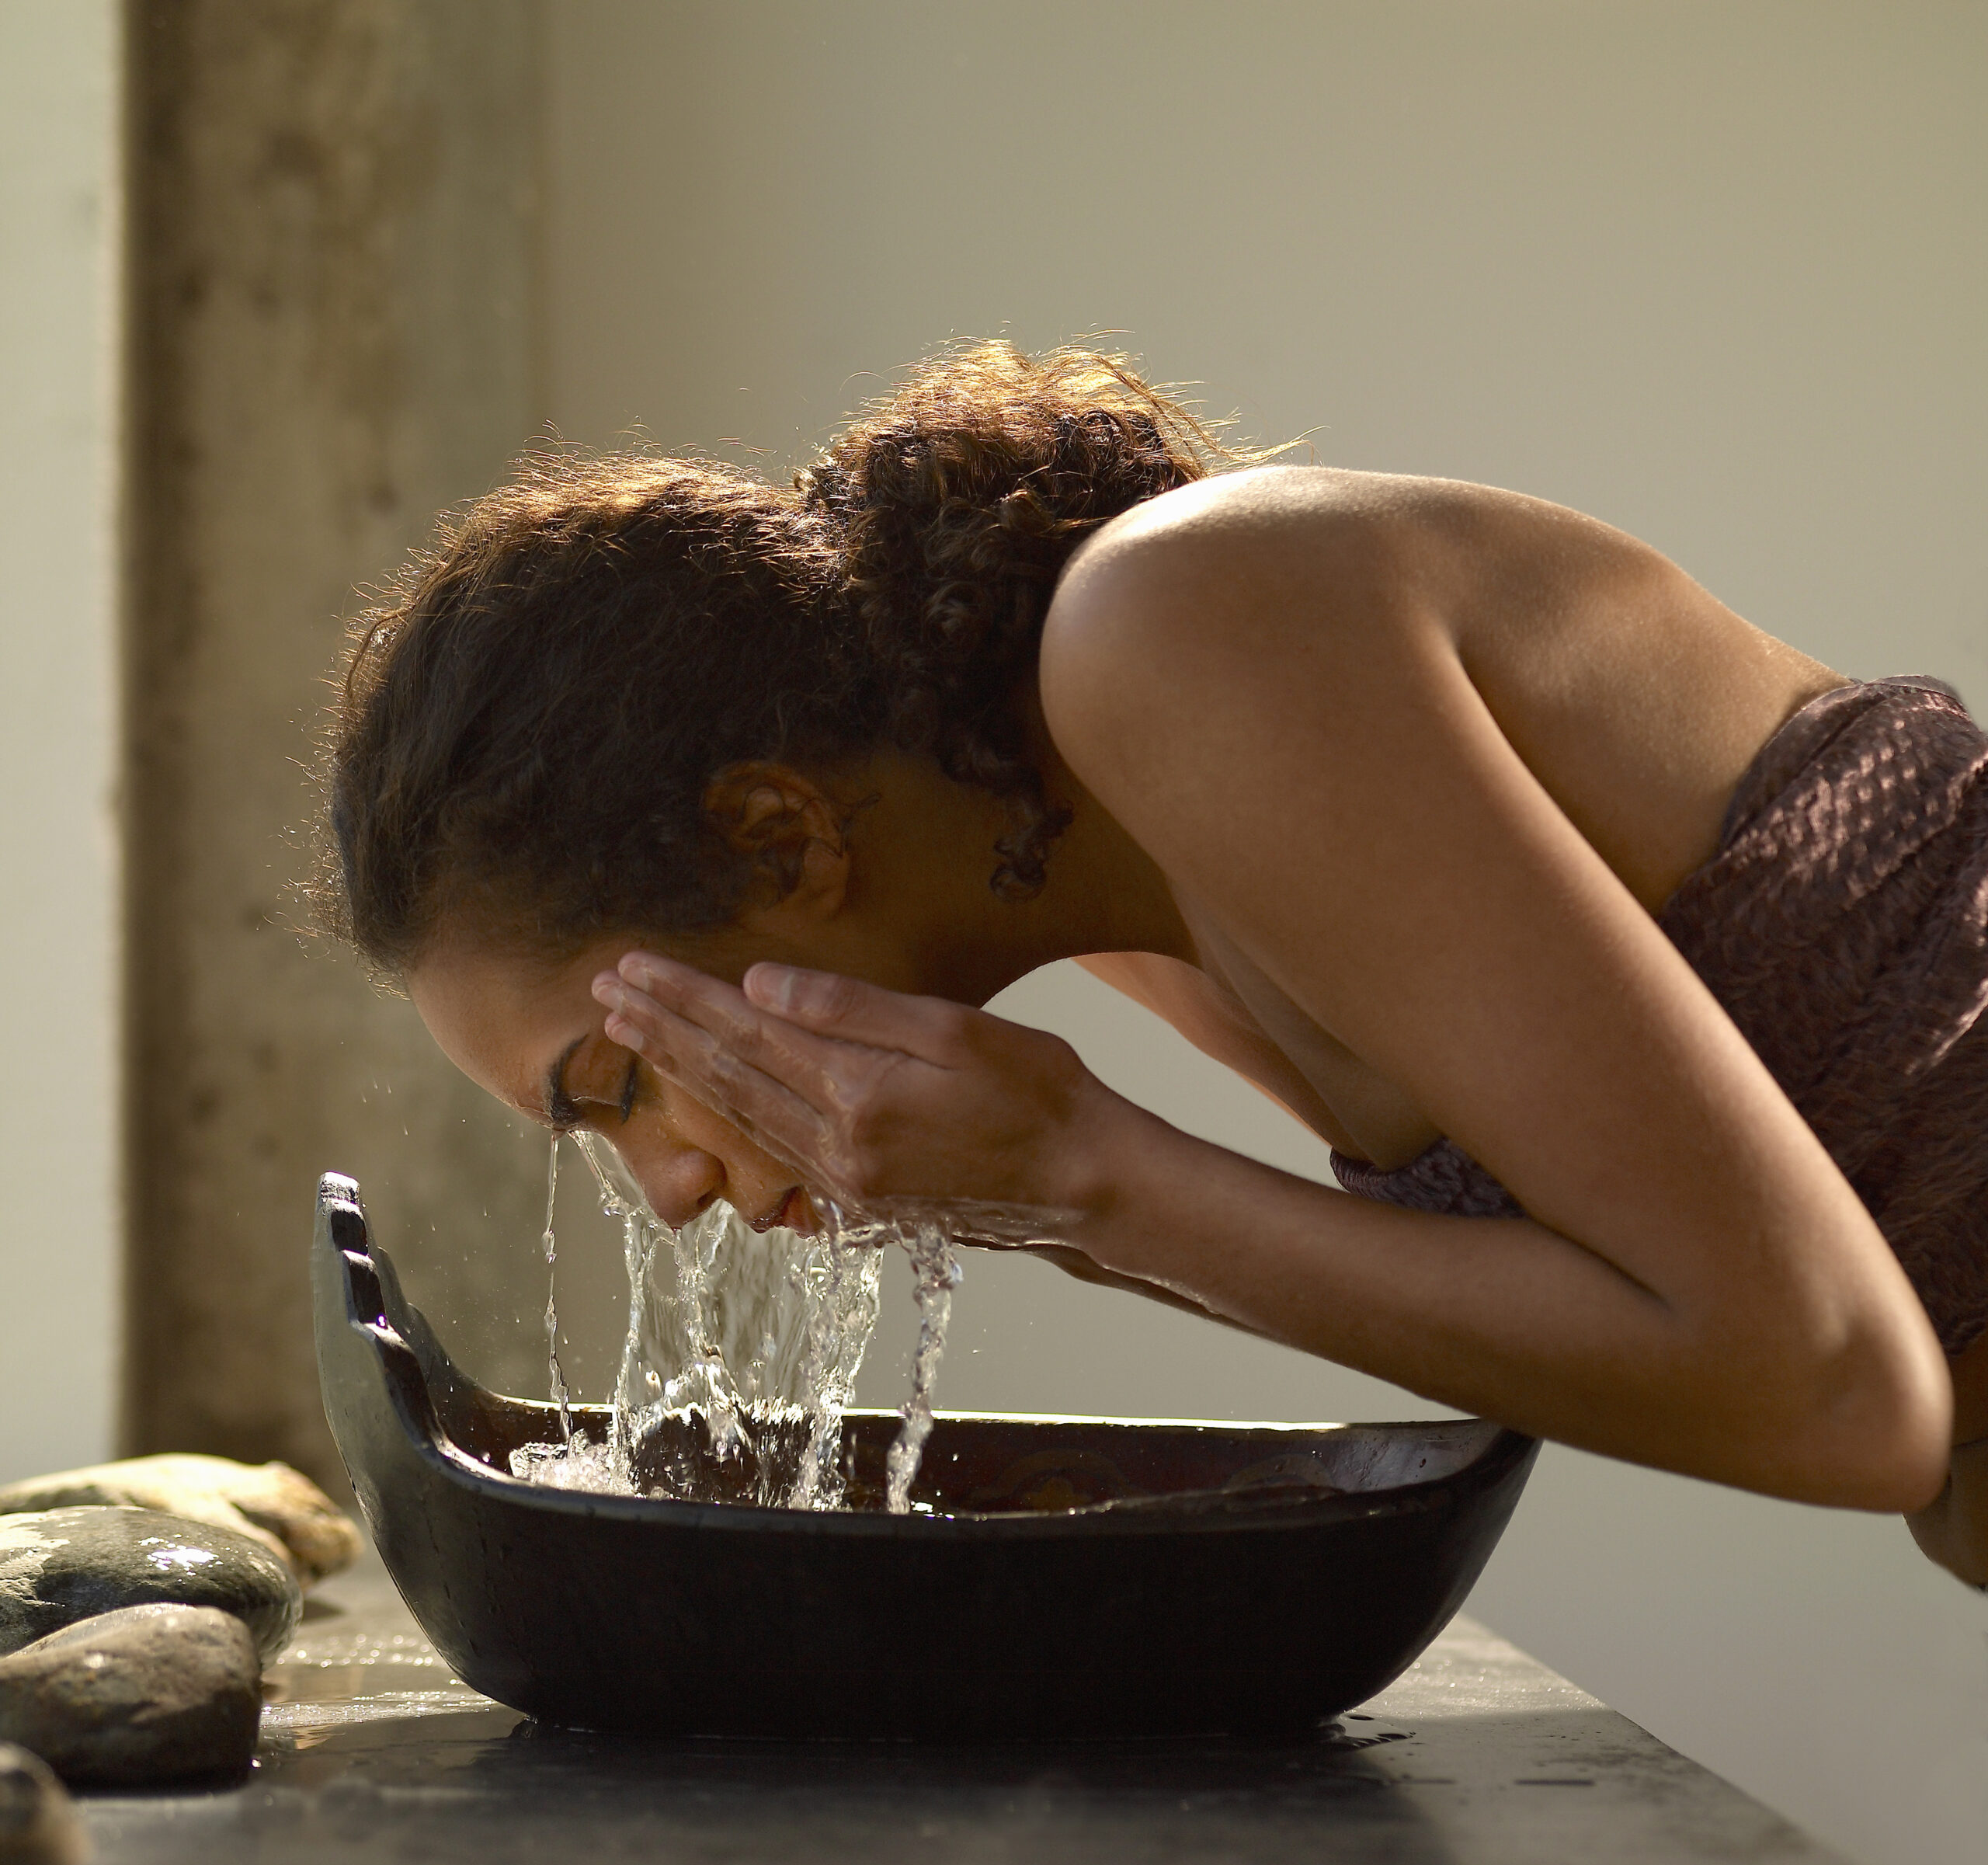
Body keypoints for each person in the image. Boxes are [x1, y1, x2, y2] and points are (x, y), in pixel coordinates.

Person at [318, 343, 1988, 1578]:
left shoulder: (1176, 626)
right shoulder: (1108, 894)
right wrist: (1071, 1197)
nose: (666, 1189)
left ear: (776, 839)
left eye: (612, 1086)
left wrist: (1088, 1180)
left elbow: (1841, 1394)